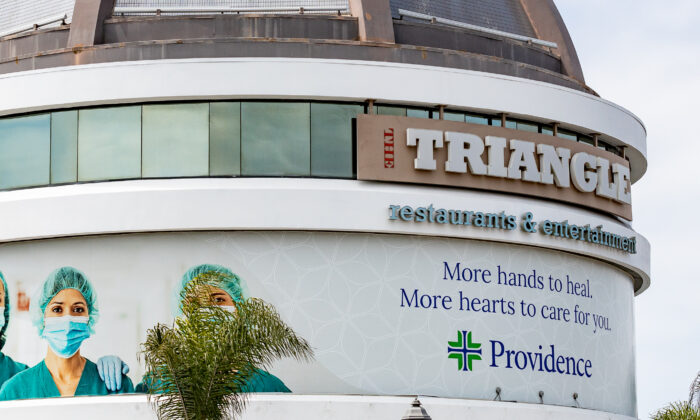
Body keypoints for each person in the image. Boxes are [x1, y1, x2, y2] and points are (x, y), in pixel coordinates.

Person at [136, 263, 290, 393]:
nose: (206, 308)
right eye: (194, 302)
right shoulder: (157, 384)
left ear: (240, 309)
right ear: (181, 314)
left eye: (218, 299)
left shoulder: (269, 387)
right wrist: (115, 388)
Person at [0, 267, 134, 400]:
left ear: (89, 317)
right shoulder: (14, 390)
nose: (68, 319)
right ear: (42, 317)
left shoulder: (115, 386)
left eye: (78, 309)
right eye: (57, 309)